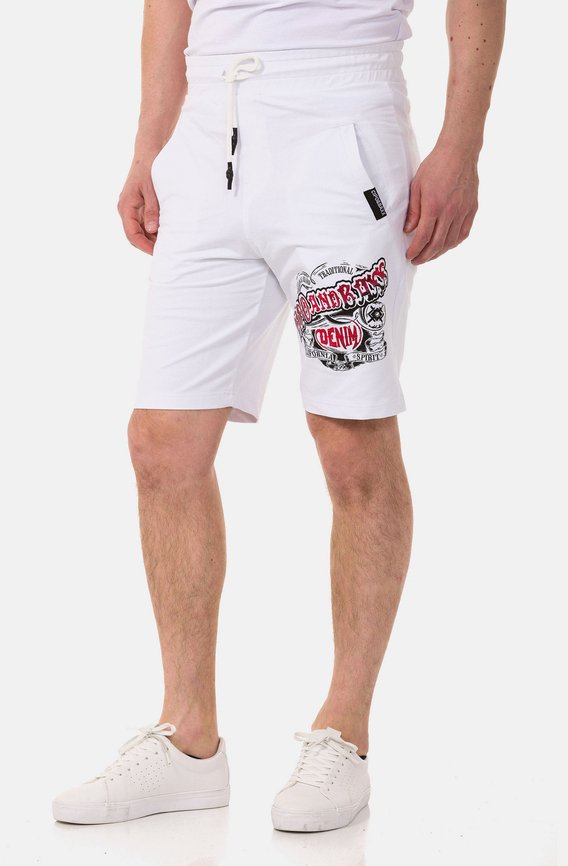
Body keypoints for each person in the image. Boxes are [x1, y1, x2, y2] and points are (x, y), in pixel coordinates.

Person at [53, 0, 506, 832]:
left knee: (350, 440)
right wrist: (150, 145)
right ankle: (189, 739)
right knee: (161, 443)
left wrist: (462, 144)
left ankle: (344, 731)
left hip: (341, 127)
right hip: (208, 131)